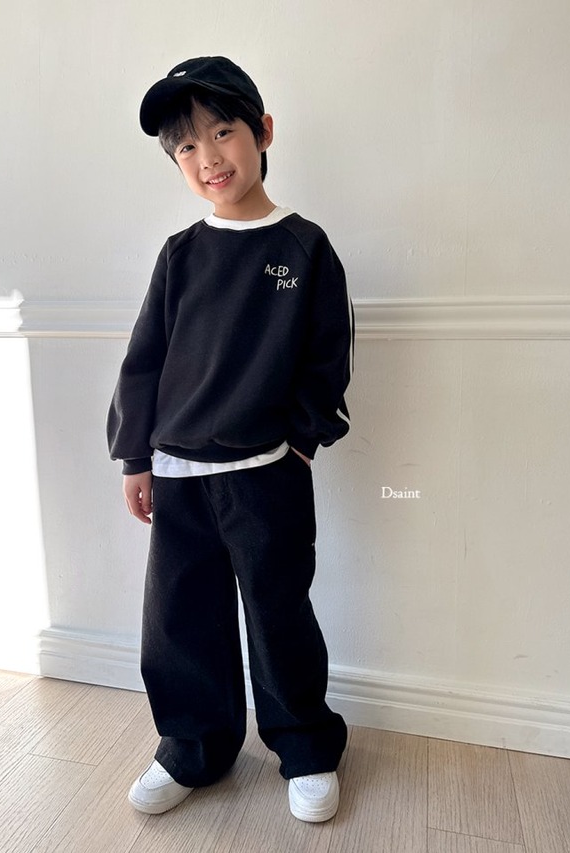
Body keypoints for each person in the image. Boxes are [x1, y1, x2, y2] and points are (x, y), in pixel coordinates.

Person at [107, 56, 353, 823]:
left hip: (266, 473)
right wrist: (136, 456)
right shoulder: (180, 254)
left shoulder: (305, 247)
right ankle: (192, 747)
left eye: (222, 132)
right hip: (177, 476)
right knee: (180, 619)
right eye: (186, 145)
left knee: (279, 616)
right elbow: (145, 360)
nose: (208, 156)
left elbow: (328, 358)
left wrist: (301, 444)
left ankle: (304, 747)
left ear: (262, 131)